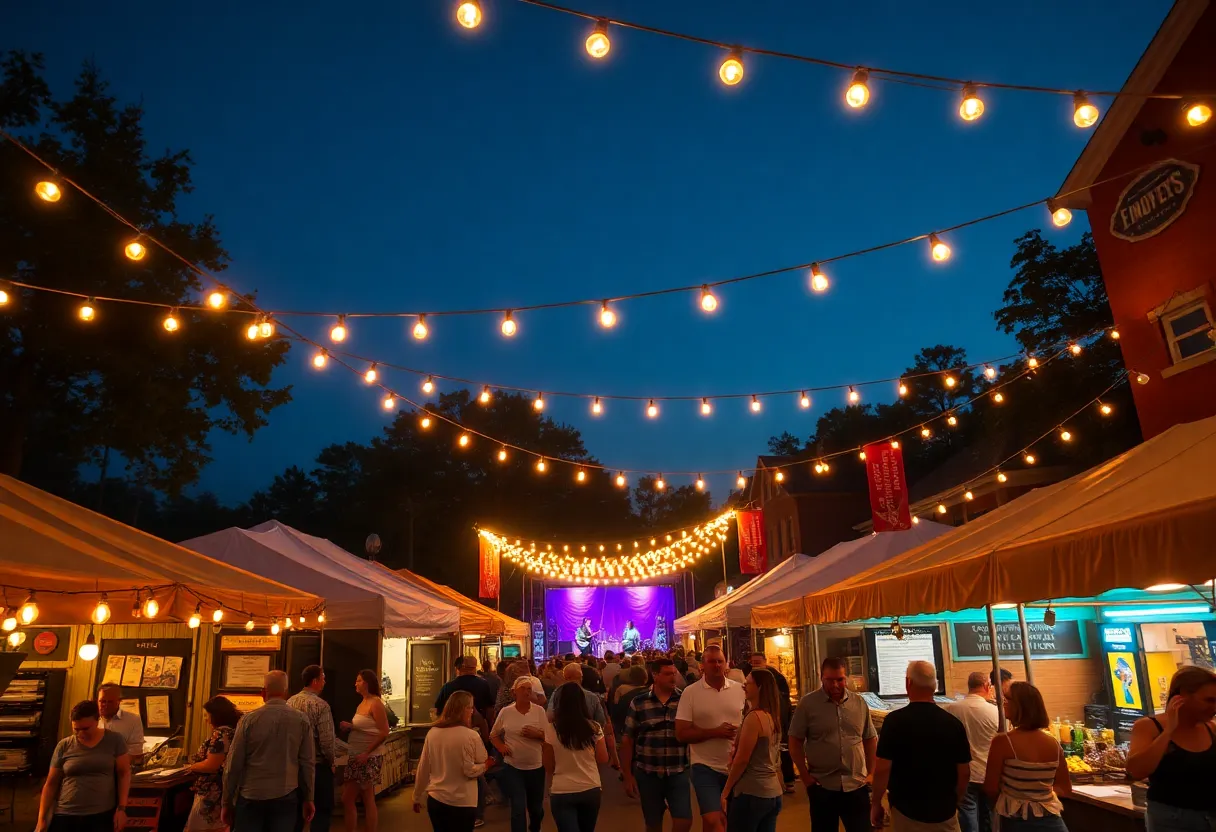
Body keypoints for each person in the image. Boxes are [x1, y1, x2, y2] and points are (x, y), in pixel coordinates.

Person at [871, 661, 970, 831]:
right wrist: (954, 801)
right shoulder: (953, 724)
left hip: (906, 813)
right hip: (945, 813)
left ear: (908, 683)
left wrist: (876, 803)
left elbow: (882, 769)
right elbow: (964, 772)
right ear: (935, 685)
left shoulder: (894, 722)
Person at [788, 656, 877, 832]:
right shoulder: (808, 704)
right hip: (823, 786)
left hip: (856, 785)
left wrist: (871, 773)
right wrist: (805, 777)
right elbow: (794, 741)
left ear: (846, 678)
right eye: (830, 680)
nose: (835, 685)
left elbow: (869, 738)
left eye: (840, 679)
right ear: (821, 678)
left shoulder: (858, 703)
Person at [222, 671, 315, 832]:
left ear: (263, 692)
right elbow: (307, 763)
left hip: (251, 796)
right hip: (285, 795)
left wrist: (226, 801)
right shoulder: (301, 720)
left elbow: (233, 764)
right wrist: (309, 798)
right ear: (286, 693)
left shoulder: (248, 720)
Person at [1127, 665, 1216, 831]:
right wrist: (1168, 731)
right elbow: (1136, 771)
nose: (1214, 707)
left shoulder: (1211, 728)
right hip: (1172, 820)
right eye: (1209, 700)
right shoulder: (1149, 726)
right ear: (1182, 696)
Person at [674, 644, 746, 832]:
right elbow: (681, 734)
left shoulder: (741, 691)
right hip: (704, 767)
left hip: (736, 767)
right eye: (711, 661)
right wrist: (715, 732)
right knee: (715, 820)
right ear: (702, 666)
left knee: (727, 821)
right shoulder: (690, 693)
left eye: (720, 661)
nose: (716, 665)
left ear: (726, 664)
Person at [983, 682, 1069, 831]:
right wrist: (1039, 795)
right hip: (1052, 820)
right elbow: (1065, 788)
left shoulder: (1003, 742)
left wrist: (1017, 800)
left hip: (1015, 820)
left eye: (1007, 700)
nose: (1003, 704)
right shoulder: (1053, 743)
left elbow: (990, 788)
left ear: (1019, 706)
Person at [36, 699, 131, 832]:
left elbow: (124, 773)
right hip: (66, 814)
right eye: (76, 729)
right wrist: (41, 819)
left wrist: (121, 808)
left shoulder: (114, 740)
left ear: (97, 720)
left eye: (86, 728)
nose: (81, 733)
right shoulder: (64, 745)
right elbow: (51, 783)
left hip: (100, 815)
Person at [622, 658, 691, 832]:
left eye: (674, 673)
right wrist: (628, 776)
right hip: (648, 772)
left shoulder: (684, 699)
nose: (673, 677)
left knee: (684, 820)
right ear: (655, 675)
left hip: (678, 770)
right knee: (653, 823)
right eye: (668, 674)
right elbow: (628, 739)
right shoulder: (639, 702)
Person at [413, 691, 496, 832]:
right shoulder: (471, 735)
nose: (472, 712)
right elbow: (472, 768)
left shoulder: (433, 733)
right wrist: (486, 765)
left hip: (436, 799)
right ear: (464, 710)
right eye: (471, 708)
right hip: (462, 801)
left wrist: (416, 795)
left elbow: (424, 767)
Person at [722, 668, 784, 832]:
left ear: (760, 688)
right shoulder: (772, 716)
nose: (744, 686)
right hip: (772, 792)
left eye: (748, 683)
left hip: (752, 792)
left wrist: (726, 790)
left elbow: (742, 759)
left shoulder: (754, 718)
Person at [545, 682, 609, 832]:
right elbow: (603, 758)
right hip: (590, 787)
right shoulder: (594, 727)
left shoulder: (551, 729)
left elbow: (548, 765)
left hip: (562, 790)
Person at [492, 676, 548, 832]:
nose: (526, 692)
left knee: (536, 808)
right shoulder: (506, 712)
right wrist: (501, 747)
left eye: (529, 689)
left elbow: (549, 737)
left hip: (536, 766)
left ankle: (535, 827)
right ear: (514, 692)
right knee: (518, 808)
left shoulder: (538, 711)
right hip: (513, 766)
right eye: (522, 688)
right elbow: (493, 734)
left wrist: (538, 734)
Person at [948, 672, 1000, 832]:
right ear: (986, 686)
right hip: (989, 774)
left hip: (964, 773)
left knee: (967, 814)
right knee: (989, 816)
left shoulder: (951, 710)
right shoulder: (997, 712)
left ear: (969, 686)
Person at [340, 670, 390, 832]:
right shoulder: (362, 703)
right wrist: (351, 727)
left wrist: (367, 753)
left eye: (359, 680)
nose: (356, 683)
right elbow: (366, 728)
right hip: (357, 756)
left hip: (368, 757)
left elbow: (384, 732)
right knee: (356, 798)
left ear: (367, 683)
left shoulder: (375, 703)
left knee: (359, 797)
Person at [288, 665, 336, 832]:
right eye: (323, 678)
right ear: (315, 681)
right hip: (317, 766)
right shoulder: (321, 705)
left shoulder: (290, 702)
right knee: (322, 812)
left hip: (293, 767)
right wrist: (331, 762)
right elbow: (326, 741)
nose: (324, 682)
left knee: (295, 815)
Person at [183, 696, 241, 832]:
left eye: (206, 715)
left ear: (215, 715)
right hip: (225, 791)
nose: (205, 719)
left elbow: (212, 765)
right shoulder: (234, 732)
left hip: (212, 792)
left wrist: (191, 767)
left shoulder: (221, 734)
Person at [548, 664, 619, 768]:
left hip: (563, 742)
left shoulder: (557, 693)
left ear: (565, 677)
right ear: (581, 677)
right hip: (588, 746)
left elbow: (549, 716)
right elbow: (601, 722)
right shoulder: (592, 697)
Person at [747, 653, 793, 789]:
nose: (755, 664)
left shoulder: (775, 677)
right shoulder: (751, 676)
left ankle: (788, 779)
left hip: (778, 717)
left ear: (765, 662)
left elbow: (784, 700)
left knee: (781, 749)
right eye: (753, 662)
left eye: (758, 662)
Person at [437, 656, 495, 723]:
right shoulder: (483, 684)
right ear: (475, 668)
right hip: (476, 726)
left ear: (460, 668)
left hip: (452, 725)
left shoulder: (447, 687)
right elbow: (489, 709)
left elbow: (438, 710)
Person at [97, 682, 145, 765]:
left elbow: (136, 753)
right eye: (102, 701)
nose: (105, 705)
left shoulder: (133, 720)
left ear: (119, 701)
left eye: (110, 702)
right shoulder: (90, 720)